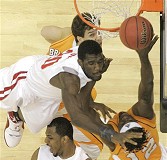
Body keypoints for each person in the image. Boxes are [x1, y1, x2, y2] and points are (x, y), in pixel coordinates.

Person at [65, 36, 167, 160]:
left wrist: (94, 77)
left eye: (124, 124)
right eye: (130, 122)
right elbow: (147, 87)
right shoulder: (145, 119)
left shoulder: (113, 139)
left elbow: (82, 110)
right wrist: (143, 56)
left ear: (120, 135)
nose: (126, 118)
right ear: (141, 126)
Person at [0, 40, 141, 152]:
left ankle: (15, 115)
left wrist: (112, 145)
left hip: (48, 94)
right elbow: (78, 117)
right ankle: (13, 111)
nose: (97, 67)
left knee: (36, 126)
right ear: (80, 63)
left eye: (99, 61)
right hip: (24, 79)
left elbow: (85, 103)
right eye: (92, 63)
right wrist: (113, 135)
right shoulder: (70, 81)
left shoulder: (88, 57)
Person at [41, 13, 109, 160]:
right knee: (97, 144)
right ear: (80, 38)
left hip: (47, 92)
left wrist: (62, 33)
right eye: (92, 34)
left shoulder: (68, 37)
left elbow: (44, 31)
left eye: (98, 31)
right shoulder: (75, 69)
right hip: (55, 105)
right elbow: (81, 102)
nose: (98, 37)